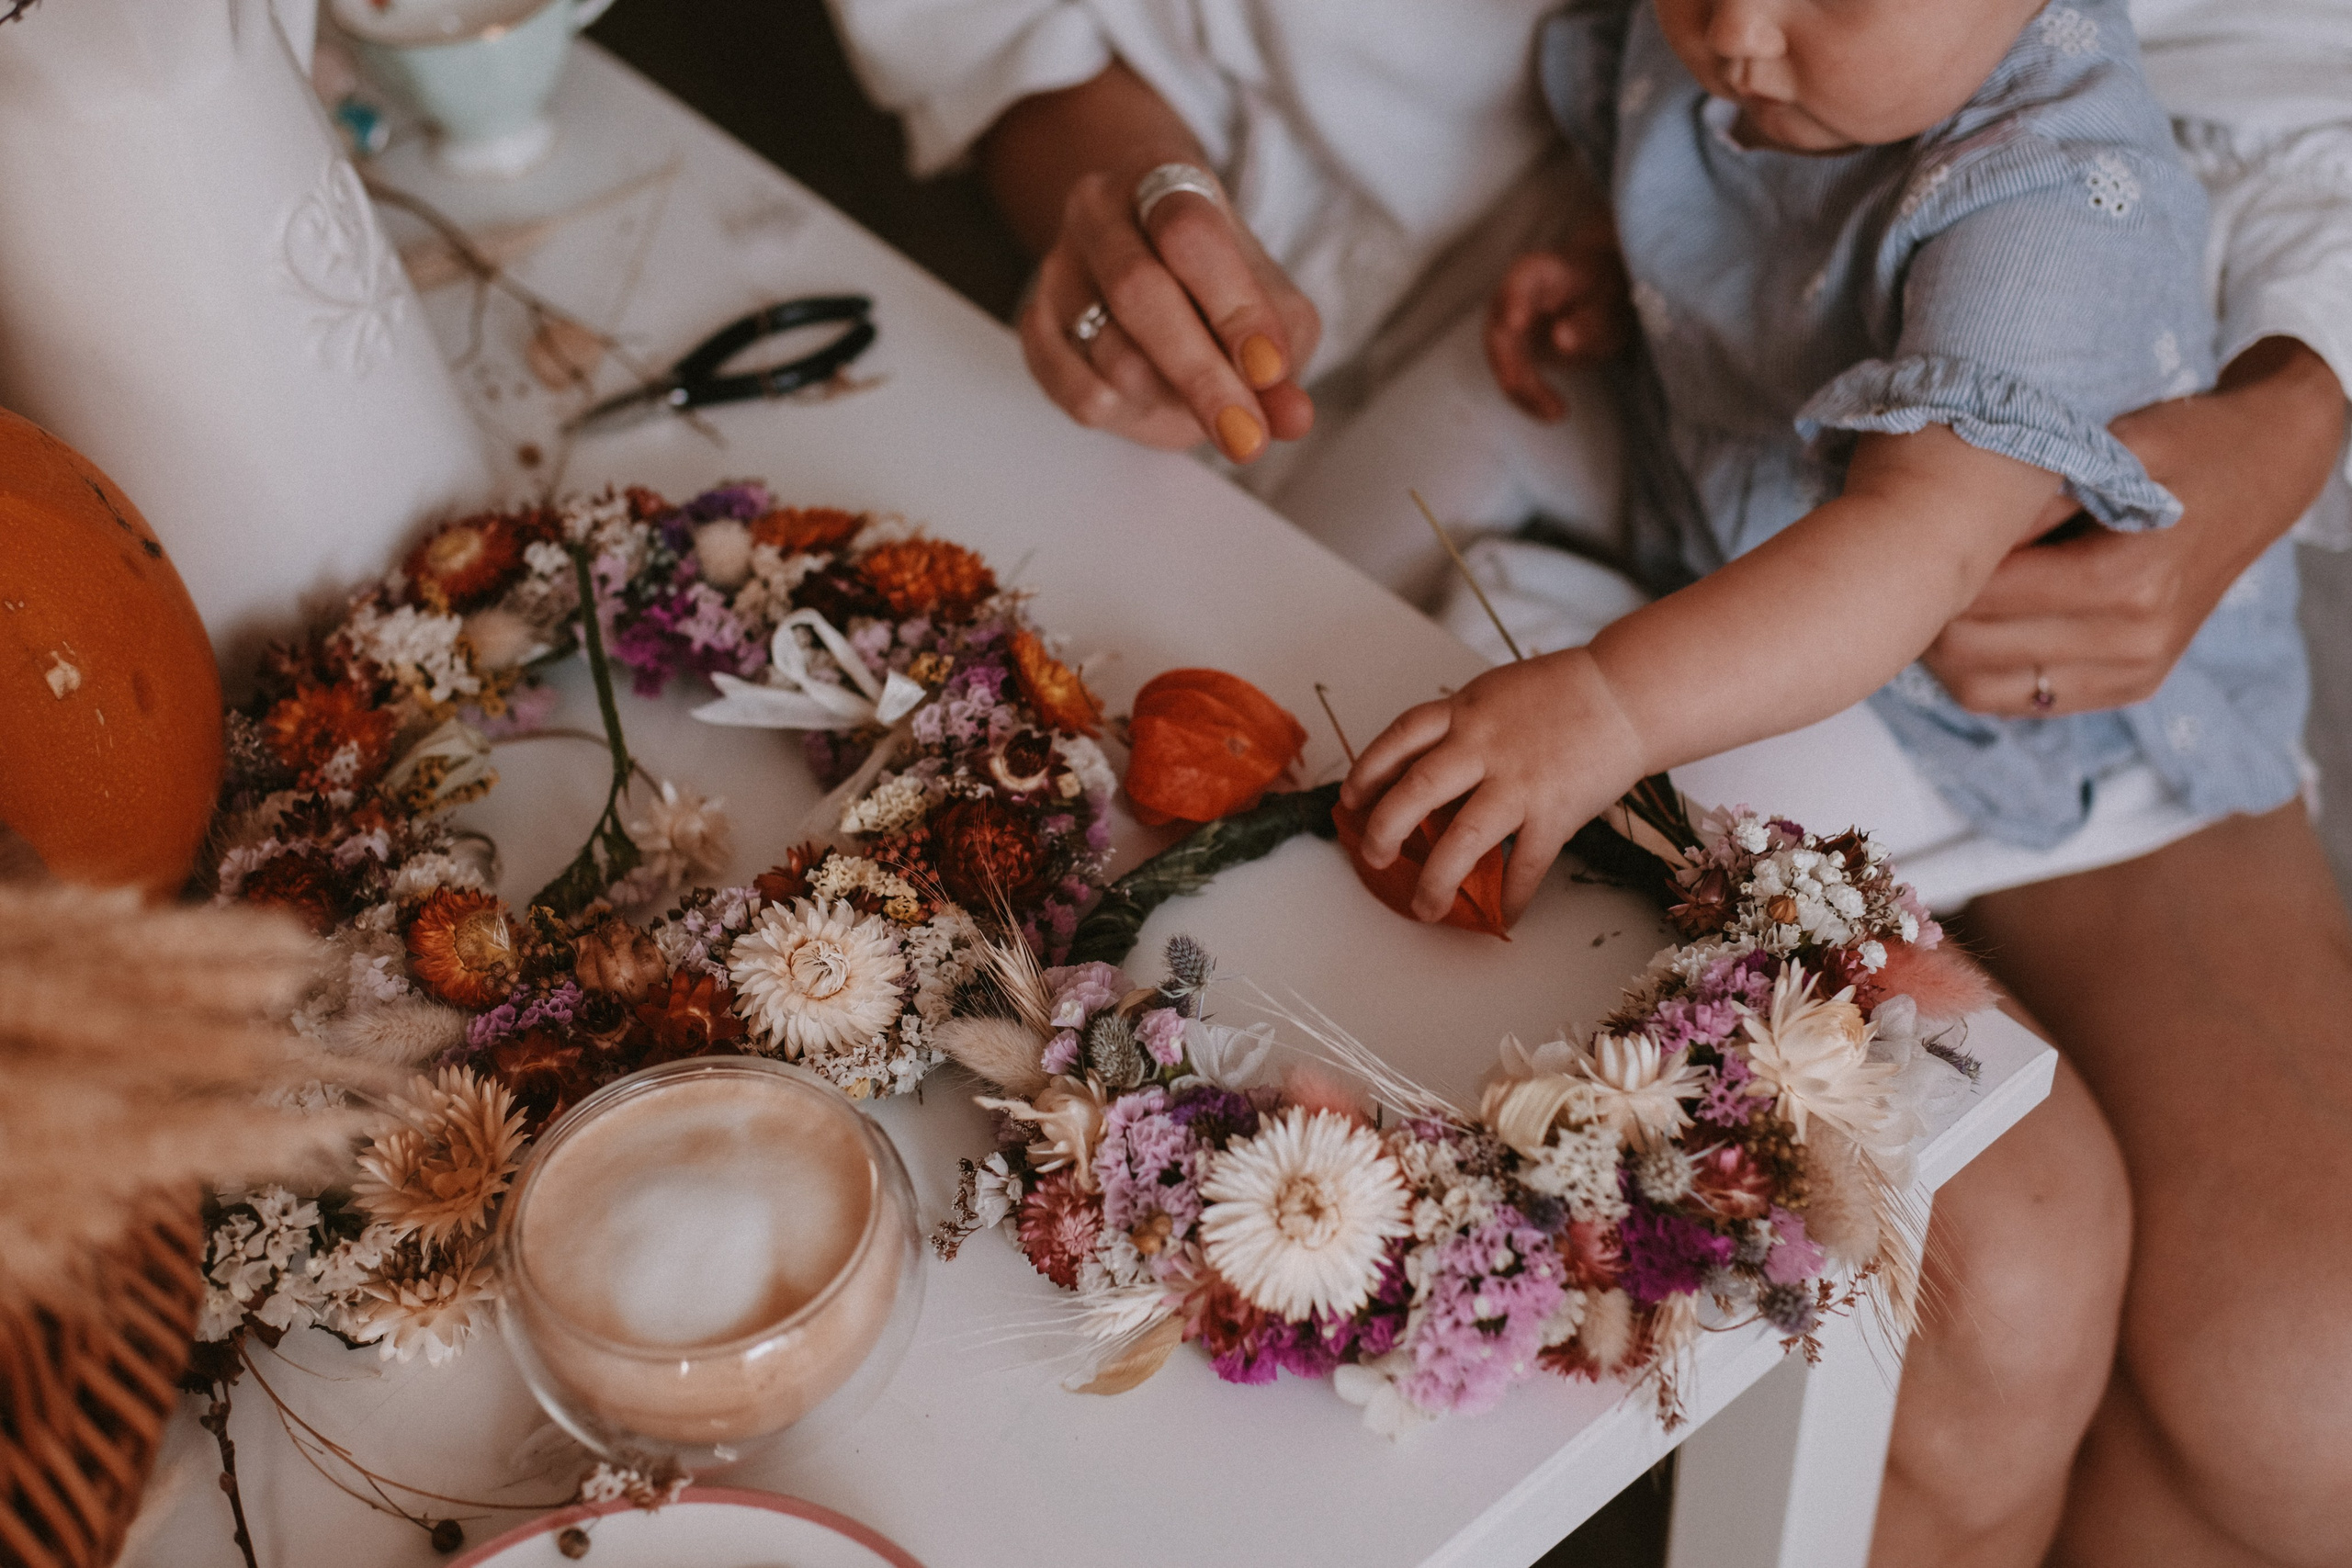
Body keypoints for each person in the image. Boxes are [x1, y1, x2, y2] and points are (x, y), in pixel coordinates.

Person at [828, 3, 2352, 1565]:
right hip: (1730, 550)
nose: (1738, 25)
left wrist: (1607, 704)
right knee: (1986, 1261)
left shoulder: (2049, 211)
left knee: (2296, 1382)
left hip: (1990, 680)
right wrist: (1605, 246)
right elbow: (1697, 171)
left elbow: (1909, 554)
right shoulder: (1732, 51)